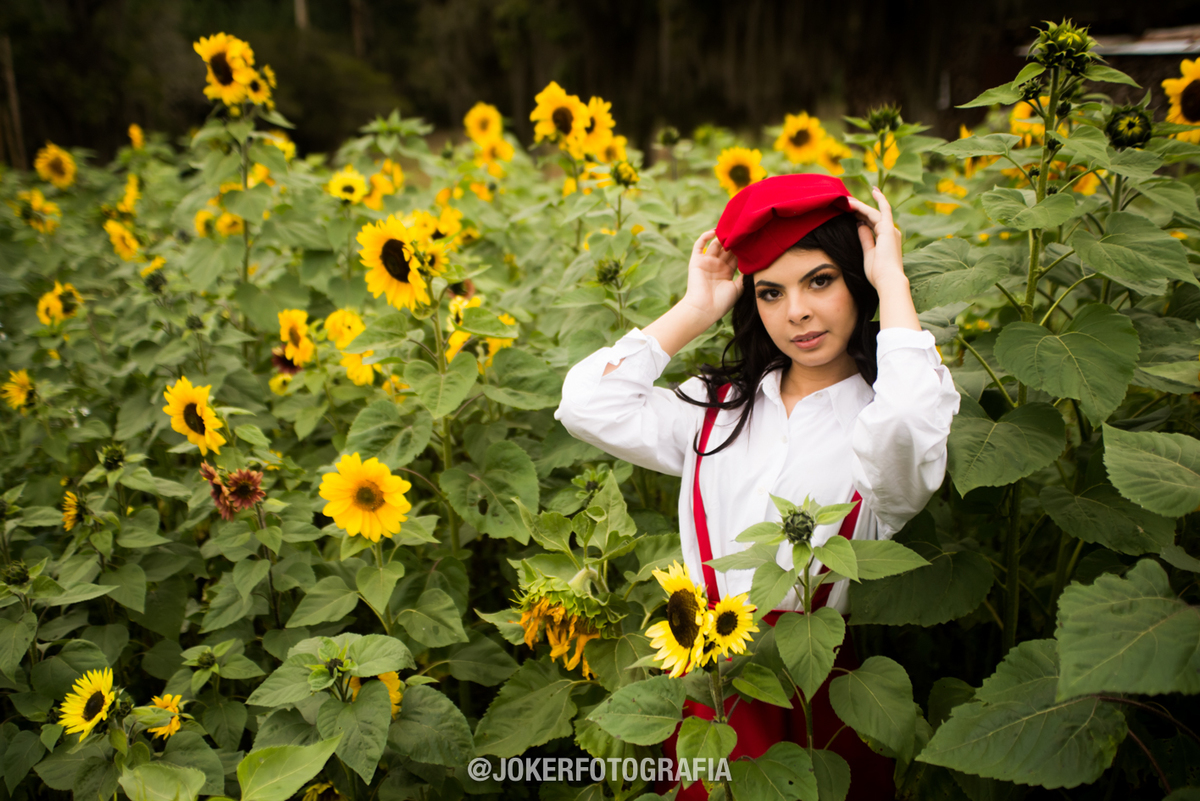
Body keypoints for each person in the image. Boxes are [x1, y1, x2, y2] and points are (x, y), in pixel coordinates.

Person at [553, 173, 961, 799]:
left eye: (820, 281)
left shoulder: (879, 422)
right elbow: (586, 404)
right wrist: (695, 310)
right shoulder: (719, 407)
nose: (796, 312)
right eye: (771, 292)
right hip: (709, 682)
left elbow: (908, 419)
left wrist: (893, 282)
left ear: (857, 280)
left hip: (813, 684)